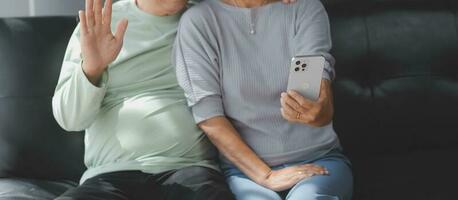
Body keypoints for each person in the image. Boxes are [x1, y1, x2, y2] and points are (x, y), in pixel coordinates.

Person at [174, 0, 353, 199]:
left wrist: (317, 112)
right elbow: (209, 117)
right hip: (245, 173)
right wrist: (266, 175)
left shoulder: (303, 7)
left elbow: (317, 98)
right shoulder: (199, 22)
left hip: (317, 160)